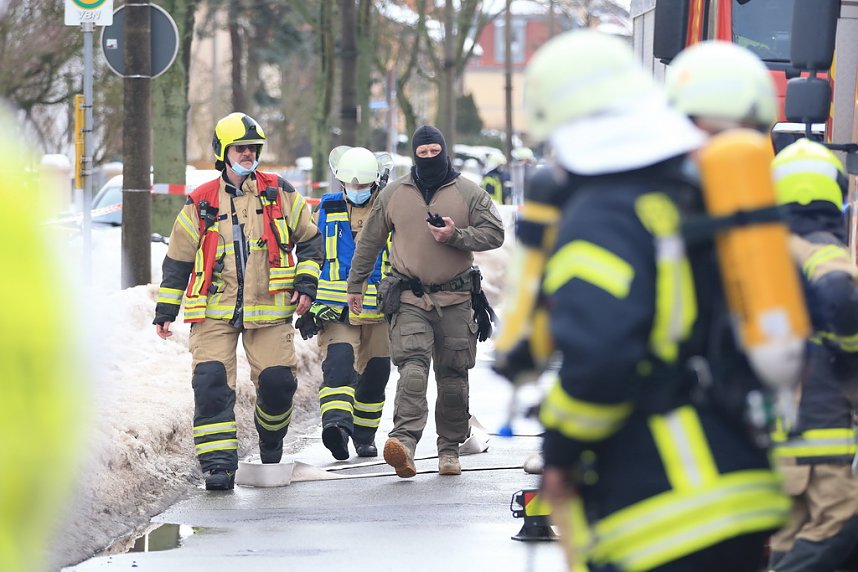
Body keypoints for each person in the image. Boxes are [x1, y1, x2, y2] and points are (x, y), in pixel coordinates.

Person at [526, 30, 790, 571]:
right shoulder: (680, 203)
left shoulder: (604, 215)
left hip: (667, 509)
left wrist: (561, 452)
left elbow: (601, 359)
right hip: (736, 484)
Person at [153, 112, 322, 491]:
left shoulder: (280, 191)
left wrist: (307, 281)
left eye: (253, 148)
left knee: (279, 383)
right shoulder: (201, 201)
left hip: (271, 308)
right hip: (213, 310)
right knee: (211, 383)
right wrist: (166, 309)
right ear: (223, 152)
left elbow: (310, 241)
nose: (248, 154)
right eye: (240, 148)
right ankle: (218, 466)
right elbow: (178, 258)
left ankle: (271, 436)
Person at [345, 125, 504, 478]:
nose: (429, 158)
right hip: (409, 297)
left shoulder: (468, 193)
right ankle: (404, 443)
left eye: (435, 152)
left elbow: (495, 233)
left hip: (457, 298)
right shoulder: (393, 194)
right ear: (415, 155)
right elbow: (369, 242)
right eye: (423, 153)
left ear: (444, 152)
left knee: (452, 377)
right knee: (412, 369)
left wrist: (456, 236)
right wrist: (355, 285)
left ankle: (449, 449)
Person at [767, 139, 858, 572]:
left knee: (791, 535)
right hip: (822, 429)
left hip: (781, 433)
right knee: (843, 522)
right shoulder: (822, 250)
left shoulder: (764, 253)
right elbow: (841, 297)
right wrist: (850, 352)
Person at [295, 146, 393, 460]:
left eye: (363, 186)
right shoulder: (327, 208)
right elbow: (313, 253)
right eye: (352, 186)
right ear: (341, 183)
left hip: (380, 310)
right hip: (335, 310)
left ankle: (365, 435)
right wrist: (309, 300)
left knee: (376, 373)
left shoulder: (390, 208)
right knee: (338, 366)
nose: (357, 191)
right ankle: (336, 427)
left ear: (376, 183)